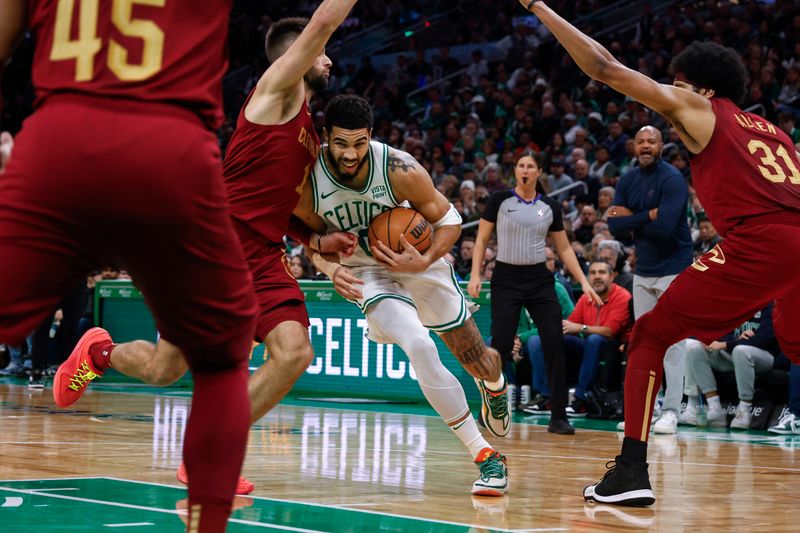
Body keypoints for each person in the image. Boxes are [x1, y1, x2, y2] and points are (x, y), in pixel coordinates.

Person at [52, 4, 359, 495]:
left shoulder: (306, 130)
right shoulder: (276, 91)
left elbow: (287, 204)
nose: (331, 61)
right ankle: (100, 352)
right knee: (163, 368)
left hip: (260, 253)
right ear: (302, 55)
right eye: (324, 54)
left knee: (294, 352)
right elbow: (322, 22)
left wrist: (317, 241)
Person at [520, 0, 800, 507]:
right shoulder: (775, 133)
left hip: (762, 240)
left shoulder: (701, 110)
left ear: (703, 89)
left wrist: (539, 6)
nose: (671, 97)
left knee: (650, 333)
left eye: (679, 84)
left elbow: (603, 67)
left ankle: (630, 470)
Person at [0, 1, 262, 530]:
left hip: (58, 141)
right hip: (171, 150)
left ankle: (97, 351)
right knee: (221, 360)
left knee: (171, 366)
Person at [302, 95, 511, 496]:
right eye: (341, 143)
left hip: (419, 262)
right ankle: (486, 456)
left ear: (372, 137)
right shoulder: (310, 181)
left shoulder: (398, 167)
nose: (350, 153)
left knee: (477, 360)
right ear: (325, 137)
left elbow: (449, 219)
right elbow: (311, 241)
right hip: (366, 271)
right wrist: (331, 269)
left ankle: (495, 383)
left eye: (359, 143)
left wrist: (425, 258)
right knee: (419, 344)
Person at [468, 151, 602, 435]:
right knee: (501, 344)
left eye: (530, 166)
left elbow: (564, 248)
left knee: (554, 341)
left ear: (539, 171)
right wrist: (477, 274)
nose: (525, 170)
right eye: (520, 166)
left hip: (540, 279)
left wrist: (585, 282)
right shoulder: (499, 200)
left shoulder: (550, 205)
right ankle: (489, 408)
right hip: (506, 277)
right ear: (515, 171)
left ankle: (558, 416)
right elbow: (481, 238)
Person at [607, 125, 693, 435]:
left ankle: (671, 410)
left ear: (661, 145)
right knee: (643, 343)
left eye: (651, 141)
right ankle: (647, 409)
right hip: (644, 269)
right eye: (641, 141)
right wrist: (648, 215)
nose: (646, 146)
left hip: (674, 266)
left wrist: (633, 218)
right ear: (634, 146)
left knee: (672, 343)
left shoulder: (672, 179)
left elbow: (666, 228)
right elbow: (613, 226)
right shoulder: (628, 178)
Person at [528, 259, 630, 416]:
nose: (597, 277)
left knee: (594, 339)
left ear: (612, 277)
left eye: (602, 272)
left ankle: (581, 399)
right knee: (540, 341)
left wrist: (581, 328)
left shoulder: (622, 296)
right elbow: (571, 324)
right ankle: (546, 396)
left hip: (613, 348)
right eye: (593, 273)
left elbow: (610, 331)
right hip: (588, 344)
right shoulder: (586, 297)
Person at [681, 305, 780, 429]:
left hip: (765, 356)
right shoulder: (735, 302)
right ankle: (714, 407)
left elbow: (766, 339)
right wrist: (732, 340)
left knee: (741, 350)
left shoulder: (769, 304)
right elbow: (723, 332)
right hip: (734, 351)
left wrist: (728, 344)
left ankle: (744, 410)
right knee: (693, 348)